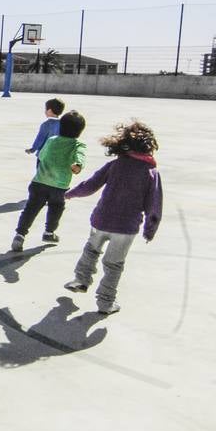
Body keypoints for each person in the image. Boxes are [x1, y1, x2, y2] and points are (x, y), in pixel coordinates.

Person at [63, 121, 163, 316]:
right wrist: (149, 230)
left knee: (91, 249)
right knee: (114, 264)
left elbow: (91, 185)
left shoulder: (115, 165)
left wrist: (71, 193)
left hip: (102, 220)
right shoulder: (151, 173)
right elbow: (154, 206)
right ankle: (105, 302)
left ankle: (81, 280)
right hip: (126, 227)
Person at [12, 110, 87, 251]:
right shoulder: (78, 145)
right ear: (80, 131)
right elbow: (80, 156)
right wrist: (77, 165)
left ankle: (20, 234)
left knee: (30, 208)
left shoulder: (52, 140)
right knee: (56, 208)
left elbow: (42, 156)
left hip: (39, 182)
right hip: (59, 186)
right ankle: (49, 232)